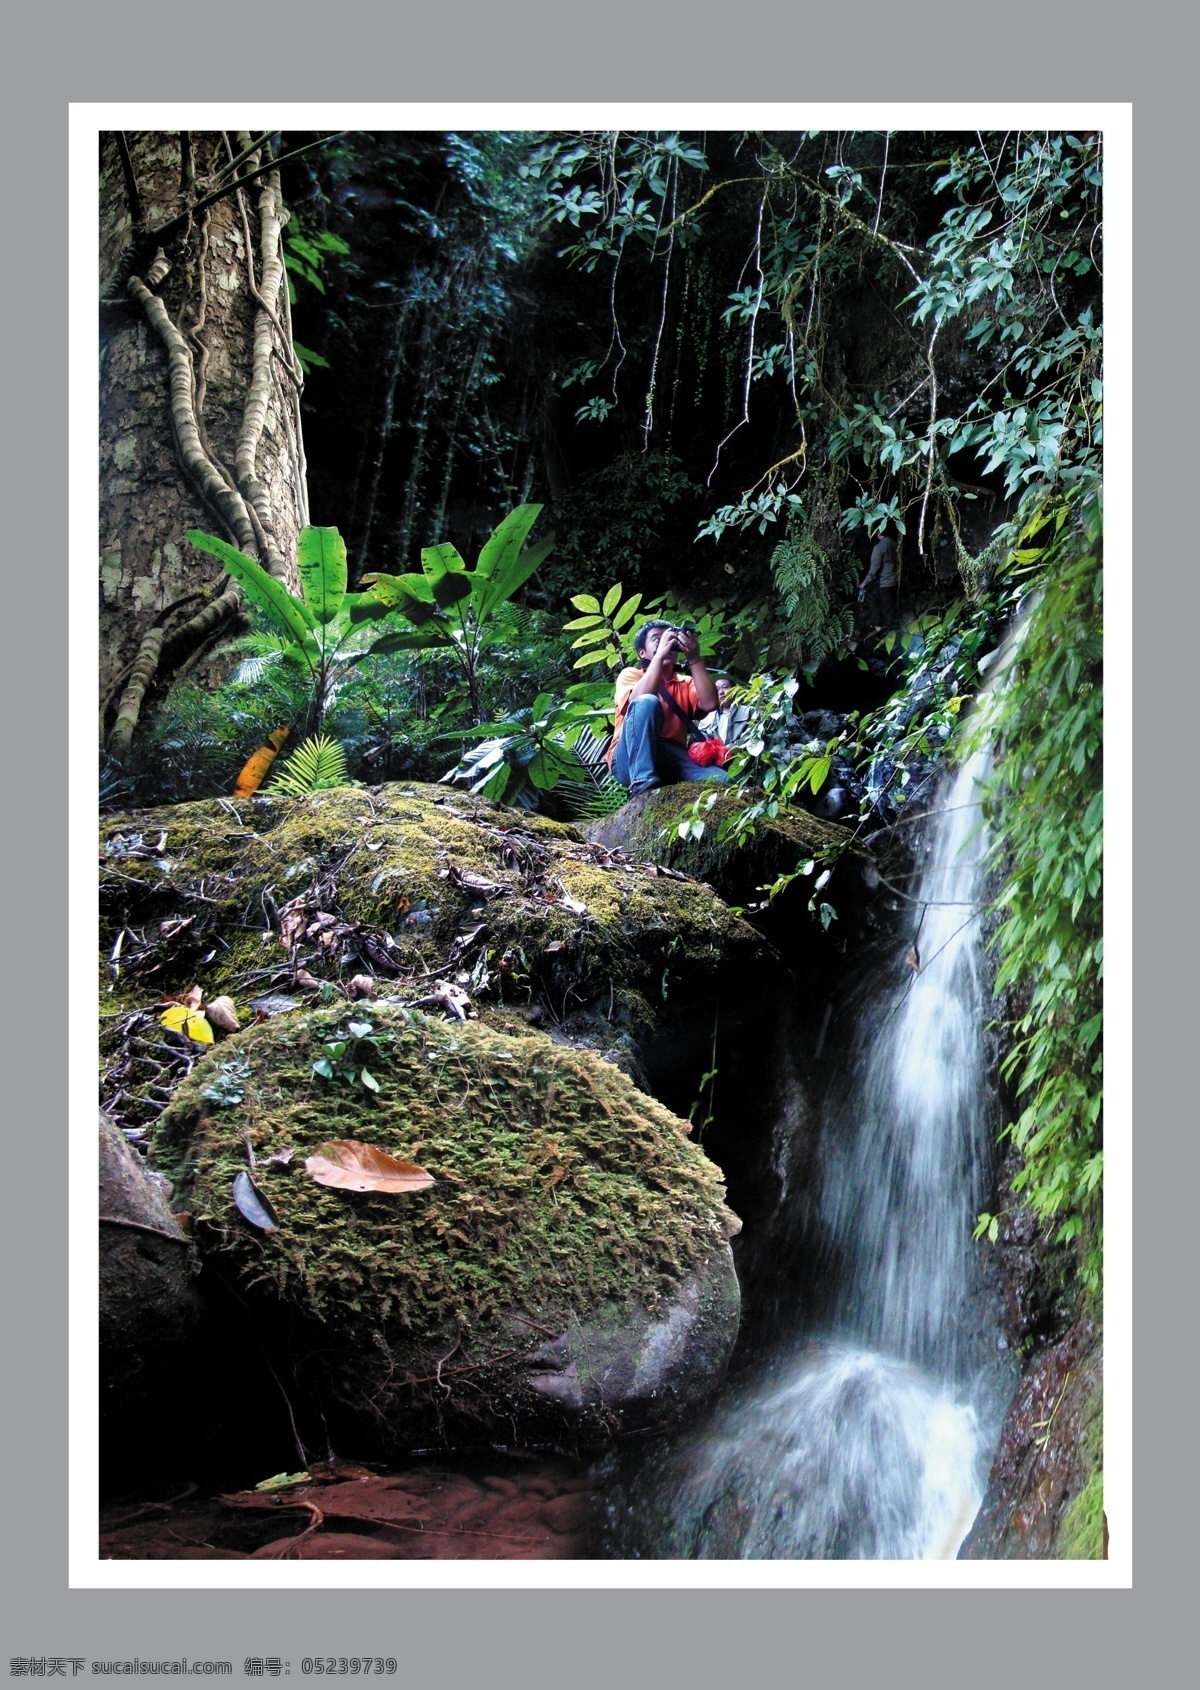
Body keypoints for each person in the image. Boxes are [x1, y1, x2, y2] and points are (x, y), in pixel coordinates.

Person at [607, 621, 730, 797]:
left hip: (673, 757)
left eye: (671, 639)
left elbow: (710, 703)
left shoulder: (685, 683)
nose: (666, 643)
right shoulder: (631, 675)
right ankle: (642, 784)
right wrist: (658, 656)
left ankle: (656, 780)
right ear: (642, 652)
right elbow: (637, 700)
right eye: (657, 639)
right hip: (629, 758)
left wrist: (694, 658)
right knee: (647, 702)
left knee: (725, 782)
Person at [698, 675, 753, 748]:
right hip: (714, 758)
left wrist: (728, 750)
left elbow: (752, 737)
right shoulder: (706, 718)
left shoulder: (749, 712)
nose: (721, 692)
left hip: (741, 757)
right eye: (717, 689)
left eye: (725, 687)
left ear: (734, 690)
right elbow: (699, 741)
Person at [858, 533, 899, 629]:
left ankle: (887, 632)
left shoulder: (879, 547)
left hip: (884, 582)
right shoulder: (894, 544)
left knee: (884, 607)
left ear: (878, 532)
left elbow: (874, 568)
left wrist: (865, 582)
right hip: (894, 580)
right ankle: (883, 628)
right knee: (888, 606)